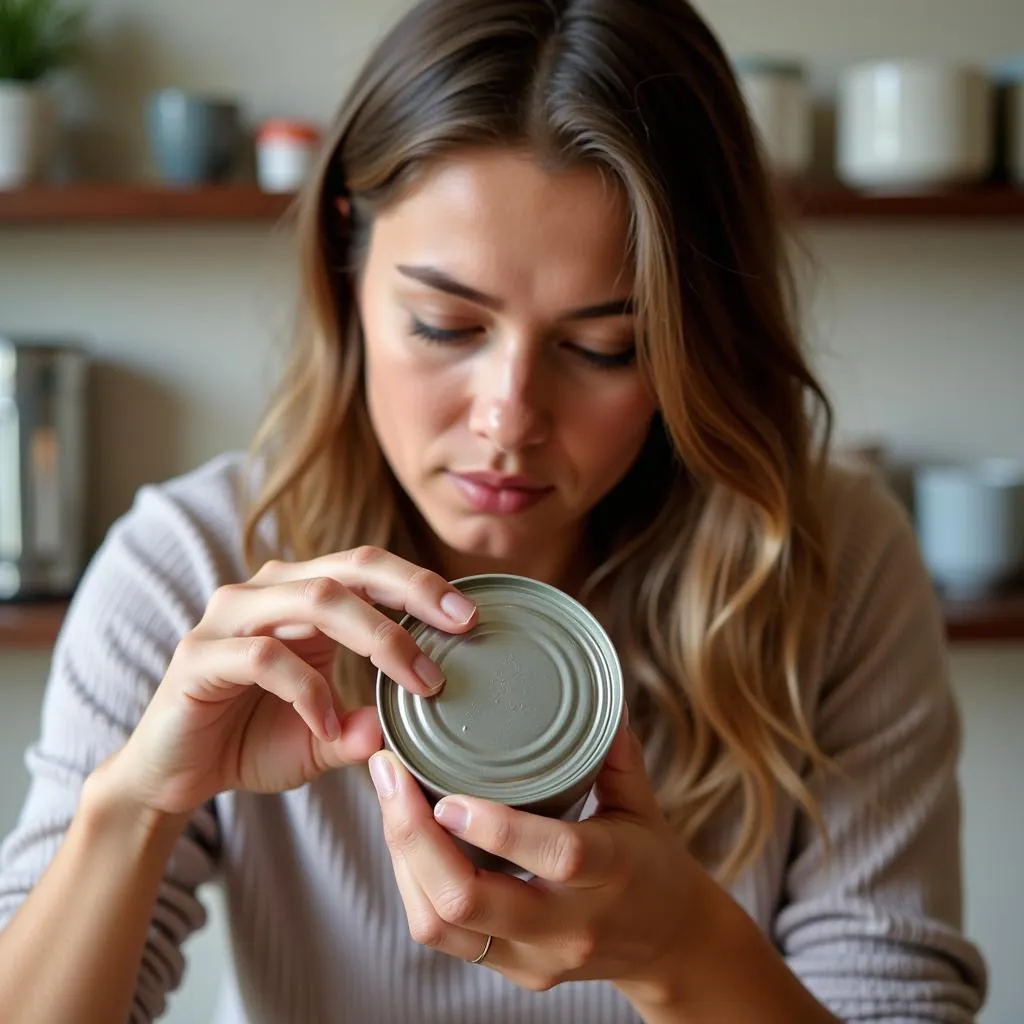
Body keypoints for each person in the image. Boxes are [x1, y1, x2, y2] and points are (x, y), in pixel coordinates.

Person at [0, 0, 988, 1021]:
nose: (508, 419)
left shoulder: (828, 562)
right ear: (347, 257)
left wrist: (680, 947)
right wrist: (131, 810)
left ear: (695, 335)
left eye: (603, 345)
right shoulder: (194, 567)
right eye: (444, 324)